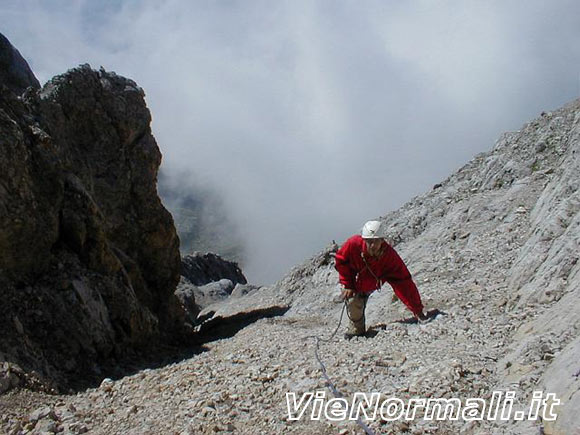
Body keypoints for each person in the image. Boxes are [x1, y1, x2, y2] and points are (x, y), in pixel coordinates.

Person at [334, 220, 427, 338]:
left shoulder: (389, 257)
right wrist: (347, 284)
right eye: (369, 241)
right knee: (353, 302)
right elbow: (341, 261)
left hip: (371, 283)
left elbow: (404, 282)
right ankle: (357, 328)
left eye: (376, 241)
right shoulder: (353, 244)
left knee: (356, 300)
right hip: (355, 283)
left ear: (382, 240)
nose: (372, 245)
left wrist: (418, 311)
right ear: (364, 240)